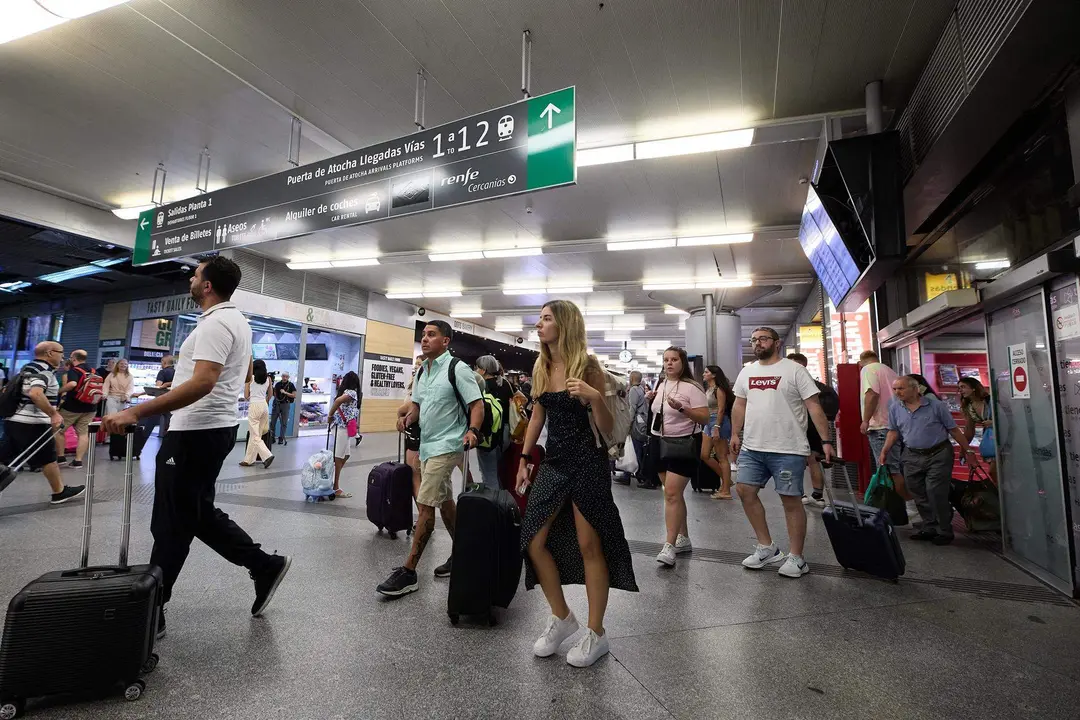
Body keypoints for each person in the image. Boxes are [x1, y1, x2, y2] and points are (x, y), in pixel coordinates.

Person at [102, 256, 291, 637]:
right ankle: (264, 565)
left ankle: (154, 608)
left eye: (195, 274)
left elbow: (204, 382)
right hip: (203, 430)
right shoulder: (229, 321)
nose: (190, 278)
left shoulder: (218, 322)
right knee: (192, 512)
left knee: (172, 521)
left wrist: (137, 411)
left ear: (207, 286)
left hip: (196, 431)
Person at [516, 299, 638, 668]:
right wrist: (524, 458)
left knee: (590, 545)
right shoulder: (541, 365)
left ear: (565, 324)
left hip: (588, 461)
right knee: (533, 539)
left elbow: (604, 426)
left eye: (547, 319)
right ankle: (562, 616)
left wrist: (594, 396)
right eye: (539, 319)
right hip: (554, 463)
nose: (539, 325)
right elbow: (537, 417)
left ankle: (596, 632)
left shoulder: (588, 365)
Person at [378, 321, 484, 597]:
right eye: (423, 335)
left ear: (446, 341)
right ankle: (465, 554)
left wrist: (473, 430)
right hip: (426, 446)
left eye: (431, 335)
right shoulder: (423, 371)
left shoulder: (457, 369)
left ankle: (409, 571)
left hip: (448, 445)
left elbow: (477, 404)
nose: (424, 339)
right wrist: (408, 418)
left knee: (425, 505)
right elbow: (417, 407)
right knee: (446, 503)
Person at [731, 327, 834, 579]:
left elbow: (814, 406)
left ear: (776, 343)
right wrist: (734, 433)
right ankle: (767, 547)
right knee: (745, 491)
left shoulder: (794, 370)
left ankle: (797, 557)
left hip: (788, 448)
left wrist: (826, 441)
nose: (757, 343)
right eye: (754, 340)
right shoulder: (747, 371)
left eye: (763, 339)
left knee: (790, 501)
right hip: (753, 447)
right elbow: (739, 404)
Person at [880, 375, 974, 546]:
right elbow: (893, 432)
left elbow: (953, 430)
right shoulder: (895, 408)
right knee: (917, 492)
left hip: (938, 454)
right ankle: (929, 526)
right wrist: (885, 450)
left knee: (935, 491)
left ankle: (944, 530)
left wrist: (968, 450)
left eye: (901, 388)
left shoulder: (936, 406)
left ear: (915, 389)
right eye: (894, 389)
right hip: (911, 455)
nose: (897, 392)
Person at [0, 342, 85, 503]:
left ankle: (59, 491)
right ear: (50, 353)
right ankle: (59, 492)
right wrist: (53, 414)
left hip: (14, 420)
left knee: (5, 455)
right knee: (48, 458)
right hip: (33, 423)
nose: (62, 357)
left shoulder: (28, 368)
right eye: (61, 352)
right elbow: (35, 393)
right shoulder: (44, 371)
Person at [649, 347, 710, 567]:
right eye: (666, 360)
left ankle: (669, 545)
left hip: (683, 444)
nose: (669, 363)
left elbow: (704, 418)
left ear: (683, 362)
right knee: (672, 495)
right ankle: (683, 537)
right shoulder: (661, 384)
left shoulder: (692, 387)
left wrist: (683, 408)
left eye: (674, 360)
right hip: (659, 441)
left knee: (673, 494)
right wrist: (652, 400)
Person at [858, 350, 906, 499]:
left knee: (888, 470)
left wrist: (865, 420)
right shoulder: (889, 370)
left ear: (861, 363)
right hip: (895, 425)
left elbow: (872, 394)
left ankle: (900, 507)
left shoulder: (868, 369)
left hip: (880, 426)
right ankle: (904, 506)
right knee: (895, 468)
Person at [786, 353, 829, 507]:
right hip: (809, 427)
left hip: (803, 427)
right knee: (812, 460)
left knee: (804, 460)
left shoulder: (790, 384)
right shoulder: (819, 386)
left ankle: (804, 494)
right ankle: (817, 495)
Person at [54, 349, 98, 469]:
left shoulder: (74, 370)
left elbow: (72, 384)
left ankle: (61, 457)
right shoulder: (94, 370)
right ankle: (78, 461)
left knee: (59, 430)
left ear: (74, 359)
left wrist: (59, 391)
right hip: (90, 407)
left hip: (72, 407)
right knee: (83, 433)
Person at [701, 365, 734, 500]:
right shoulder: (708, 389)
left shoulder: (719, 390)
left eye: (706, 372)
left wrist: (717, 427)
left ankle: (726, 490)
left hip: (718, 422)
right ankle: (727, 481)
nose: (704, 374)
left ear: (714, 375)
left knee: (722, 457)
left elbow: (721, 409)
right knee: (704, 455)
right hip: (708, 421)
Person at [327, 371, 361, 498]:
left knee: (345, 455)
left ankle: (333, 481)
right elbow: (337, 402)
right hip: (341, 427)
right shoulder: (351, 393)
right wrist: (330, 415)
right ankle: (335, 486)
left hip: (343, 427)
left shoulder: (345, 391)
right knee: (339, 456)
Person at [239, 359, 275, 470]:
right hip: (264, 406)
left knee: (254, 435)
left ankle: (267, 456)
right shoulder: (268, 378)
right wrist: (264, 401)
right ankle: (249, 459)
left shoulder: (250, 378)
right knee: (256, 434)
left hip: (254, 406)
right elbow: (271, 394)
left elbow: (245, 395)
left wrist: (252, 398)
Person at [398, 357, 425, 504]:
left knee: (415, 477)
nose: (416, 367)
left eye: (419, 364)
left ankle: (423, 517)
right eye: (416, 364)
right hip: (421, 433)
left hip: (415, 434)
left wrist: (401, 417)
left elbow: (404, 409)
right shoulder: (415, 384)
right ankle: (425, 518)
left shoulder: (418, 385)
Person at [959, 376, 995, 481]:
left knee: (993, 472)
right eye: (959, 388)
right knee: (996, 473)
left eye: (963, 387)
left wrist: (994, 423)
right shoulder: (969, 406)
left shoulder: (990, 401)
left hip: (1003, 440)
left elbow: (1009, 418)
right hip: (989, 440)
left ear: (974, 388)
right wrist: (964, 449)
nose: (960, 390)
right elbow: (969, 430)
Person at [137, 355, 176, 445]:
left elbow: (158, 387)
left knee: (149, 426)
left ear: (164, 362)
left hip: (160, 402)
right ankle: (168, 450)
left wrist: (140, 394)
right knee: (169, 428)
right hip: (172, 403)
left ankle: (138, 448)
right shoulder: (177, 373)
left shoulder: (162, 372)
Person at [626, 371, 650, 488]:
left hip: (636, 423)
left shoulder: (633, 390)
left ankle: (639, 473)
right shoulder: (641, 389)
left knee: (636, 449)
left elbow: (632, 408)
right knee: (640, 448)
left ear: (632, 378)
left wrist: (628, 423)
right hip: (643, 422)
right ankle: (641, 473)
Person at [270, 371, 296, 445]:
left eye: (286, 377)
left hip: (285, 404)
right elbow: (274, 394)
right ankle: (272, 437)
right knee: (273, 422)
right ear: (281, 377)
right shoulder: (277, 384)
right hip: (277, 404)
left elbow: (294, 395)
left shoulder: (291, 385)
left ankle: (281, 438)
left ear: (288, 377)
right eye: (283, 376)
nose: (284, 378)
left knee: (284, 423)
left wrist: (285, 393)